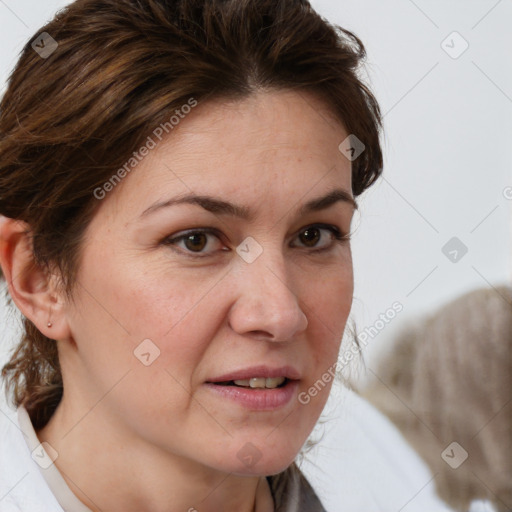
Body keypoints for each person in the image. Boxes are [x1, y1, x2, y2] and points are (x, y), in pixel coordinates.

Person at [0, 0, 386, 510]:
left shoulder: (400, 475)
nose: (280, 314)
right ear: (38, 278)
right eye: (196, 240)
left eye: (314, 235)